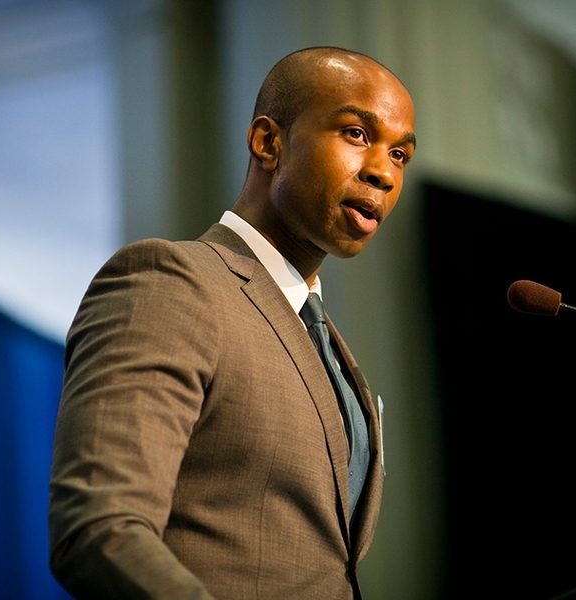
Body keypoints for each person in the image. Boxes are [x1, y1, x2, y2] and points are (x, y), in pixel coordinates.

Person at [48, 46, 416, 599]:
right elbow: (101, 530)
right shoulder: (171, 282)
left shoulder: (324, 341)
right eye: (356, 134)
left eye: (400, 154)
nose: (384, 172)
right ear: (268, 142)